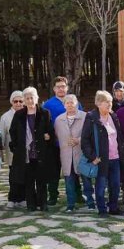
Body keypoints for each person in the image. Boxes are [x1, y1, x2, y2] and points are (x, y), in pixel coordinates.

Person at [81, 91, 124, 217]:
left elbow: (119, 137)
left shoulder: (113, 116)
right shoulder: (91, 117)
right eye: (106, 102)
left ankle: (113, 207)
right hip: (101, 159)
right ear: (98, 103)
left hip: (115, 157)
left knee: (115, 185)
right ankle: (102, 209)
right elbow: (85, 140)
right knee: (101, 186)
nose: (109, 104)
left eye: (110, 102)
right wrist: (92, 157)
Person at [9, 87, 56, 212]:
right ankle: (31, 204)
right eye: (27, 98)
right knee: (28, 181)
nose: (30, 100)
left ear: (37, 98)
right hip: (26, 154)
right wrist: (16, 146)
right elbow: (12, 132)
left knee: (41, 181)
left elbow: (51, 131)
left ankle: (43, 203)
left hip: (41, 153)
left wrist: (48, 137)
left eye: (32, 98)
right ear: (24, 100)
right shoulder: (19, 115)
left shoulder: (45, 113)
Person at [43, 76, 79, 206]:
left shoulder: (74, 102)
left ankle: (77, 194)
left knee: (74, 169)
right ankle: (53, 195)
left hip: (72, 144)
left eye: (63, 86)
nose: (61, 89)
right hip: (55, 144)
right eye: (58, 87)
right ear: (54, 89)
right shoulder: (48, 104)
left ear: (67, 87)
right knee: (54, 170)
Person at [55, 94, 90, 213]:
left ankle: (90, 202)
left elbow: (90, 135)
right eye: (67, 103)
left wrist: (78, 140)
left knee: (86, 179)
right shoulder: (59, 120)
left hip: (82, 153)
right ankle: (70, 204)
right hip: (66, 155)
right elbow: (56, 136)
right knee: (69, 181)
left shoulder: (86, 117)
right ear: (64, 105)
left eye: (72, 102)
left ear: (77, 103)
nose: (70, 105)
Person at [0, 91, 26, 209]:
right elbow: (2, 134)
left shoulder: (27, 113)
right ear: (12, 102)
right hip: (12, 152)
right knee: (13, 176)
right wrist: (1, 153)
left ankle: (22, 198)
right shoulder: (5, 116)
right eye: (16, 101)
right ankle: (12, 199)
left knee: (25, 176)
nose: (18, 103)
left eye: (21, 101)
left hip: (26, 152)